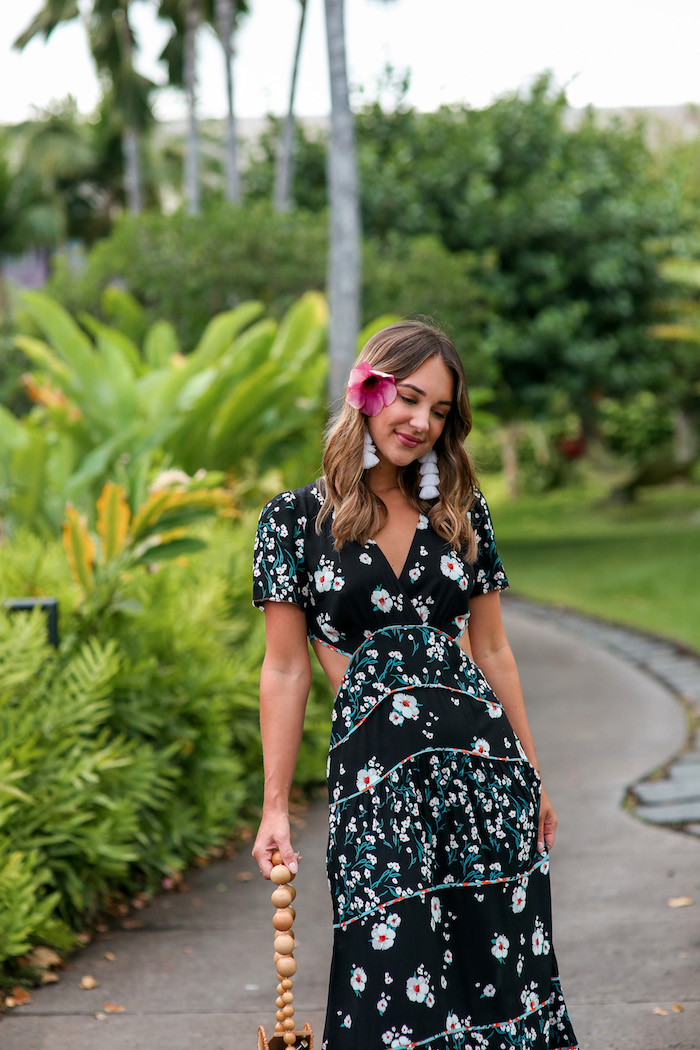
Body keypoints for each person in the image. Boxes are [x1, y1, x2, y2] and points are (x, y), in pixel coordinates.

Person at [252, 321, 578, 1050]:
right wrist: (274, 808)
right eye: (408, 398)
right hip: (376, 786)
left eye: (439, 412)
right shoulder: (293, 522)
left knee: (502, 982)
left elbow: (493, 650)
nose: (421, 422)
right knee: (390, 988)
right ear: (366, 391)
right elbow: (284, 667)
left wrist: (532, 776)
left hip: (483, 777)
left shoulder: (460, 512)